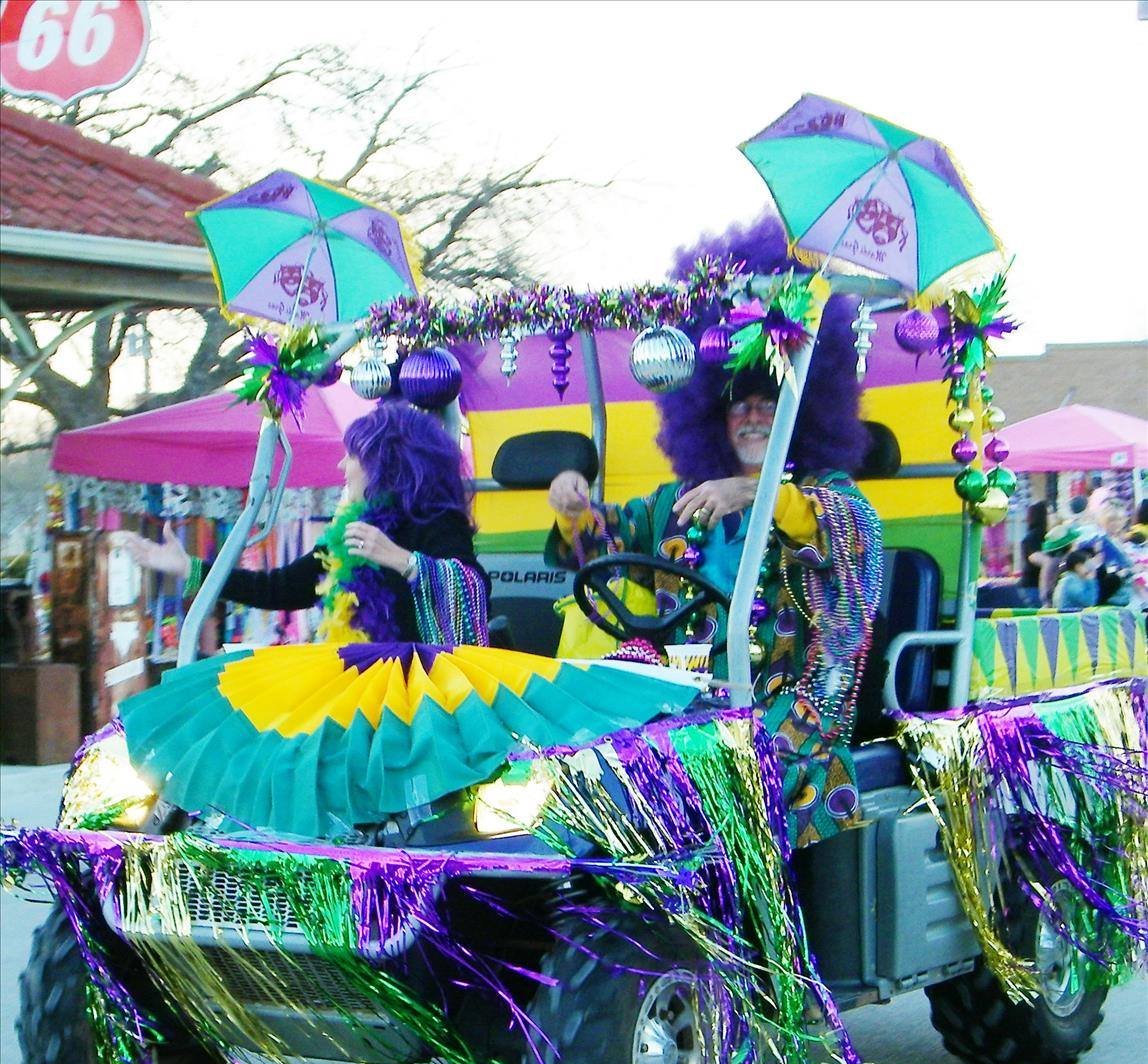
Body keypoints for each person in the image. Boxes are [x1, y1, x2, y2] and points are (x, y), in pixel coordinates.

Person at [546, 215, 883, 849]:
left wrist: (756, 492)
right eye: (739, 405)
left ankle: (764, 924)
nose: (754, 417)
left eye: (769, 402)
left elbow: (852, 536)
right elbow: (602, 549)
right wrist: (571, 508)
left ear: (800, 411)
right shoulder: (677, 503)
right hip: (687, 698)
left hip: (791, 709)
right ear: (712, 416)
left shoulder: (826, 495)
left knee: (735, 774)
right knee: (585, 763)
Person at [125, 399, 491, 647]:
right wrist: (189, 568)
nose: (341, 466)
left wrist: (403, 561)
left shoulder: (437, 521)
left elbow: (473, 591)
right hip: (360, 688)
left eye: (352, 456)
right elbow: (280, 588)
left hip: (422, 700)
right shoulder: (350, 528)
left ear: (388, 463)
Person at [1019, 501, 1048, 605]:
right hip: (1032, 586)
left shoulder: (1032, 535)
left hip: (1032, 585)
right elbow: (1034, 557)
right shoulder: (1034, 536)